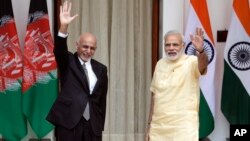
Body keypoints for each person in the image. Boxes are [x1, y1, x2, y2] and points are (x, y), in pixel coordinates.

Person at [46, 1, 108, 141]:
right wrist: (64, 26)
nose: (88, 51)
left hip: (92, 125)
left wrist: (99, 125)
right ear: (77, 45)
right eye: (85, 46)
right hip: (69, 123)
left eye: (92, 48)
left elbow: (102, 100)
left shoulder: (101, 69)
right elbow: (59, 49)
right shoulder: (68, 62)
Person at [145, 28, 208, 141]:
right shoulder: (160, 64)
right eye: (168, 45)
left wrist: (201, 51)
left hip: (183, 127)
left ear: (183, 46)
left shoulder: (192, 61)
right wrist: (149, 126)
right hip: (159, 127)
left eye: (175, 44)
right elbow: (155, 96)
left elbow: (202, 66)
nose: (171, 48)